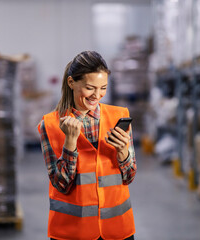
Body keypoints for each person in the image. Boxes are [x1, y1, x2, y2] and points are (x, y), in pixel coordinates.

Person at [38, 51, 137, 240]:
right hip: (73, 232)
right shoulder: (50, 124)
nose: (97, 95)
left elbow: (130, 176)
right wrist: (70, 143)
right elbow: (61, 184)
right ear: (71, 83)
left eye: (103, 88)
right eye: (90, 88)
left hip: (117, 229)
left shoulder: (119, 116)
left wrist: (123, 153)